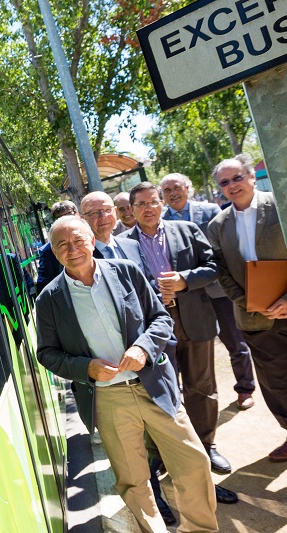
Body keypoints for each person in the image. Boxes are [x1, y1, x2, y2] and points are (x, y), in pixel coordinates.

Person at [36, 217, 217, 532]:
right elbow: (47, 354)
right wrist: (86, 368)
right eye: (62, 244)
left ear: (93, 239)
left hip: (153, 386)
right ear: (53, 251)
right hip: (108, 399)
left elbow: (160, 318)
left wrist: (144, 348)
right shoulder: (49, 299)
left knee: (193, 463)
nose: (72, 249)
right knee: (133, 481)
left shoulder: (126, 272)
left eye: (78, 240)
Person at [122, 182, 232, 477]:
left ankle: (207, 445)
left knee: (202, 387)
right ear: (132, 210)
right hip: (153, 329)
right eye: (141, 204)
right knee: (163, 393)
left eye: (153, 202)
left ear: (162, 204)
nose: (148, 208)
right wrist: (156, 296)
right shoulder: (123, 245)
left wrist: (184, 280)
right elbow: (125, 289)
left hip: (195, 319)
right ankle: (164, 454)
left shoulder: (186, 229)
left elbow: (213, 266)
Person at [209, 156, 287, 462]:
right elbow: (221, 272)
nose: (232, 186)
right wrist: (251, 303)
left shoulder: (284, 207)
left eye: (237, 178)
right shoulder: (217, 225)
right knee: (276, 382)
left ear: (252, 176)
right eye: (224, 182)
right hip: (256, 317)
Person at [160, 173, 255, 409]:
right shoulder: (160, 221)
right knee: (191, 349)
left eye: (177, 187)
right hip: (188, 297)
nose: (173, 192)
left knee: (235, 341)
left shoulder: (210, 211)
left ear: (187, 188)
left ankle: (245, 389)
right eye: (167, 190)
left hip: (218, 289)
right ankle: (192, 396)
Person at [80, 192, 152, 278]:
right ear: (83, 218)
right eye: (94, 212)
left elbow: (148, 283)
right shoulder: (82, 257)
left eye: (107, 210)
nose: (103, 216)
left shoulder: (133, 245)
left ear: (115, 211)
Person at [35, 200, 79, 294]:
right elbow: (44, 288)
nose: (65, 220)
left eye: (69, 215)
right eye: (59, 218)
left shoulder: (94, 239)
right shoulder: (48, 252)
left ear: (77, 214)